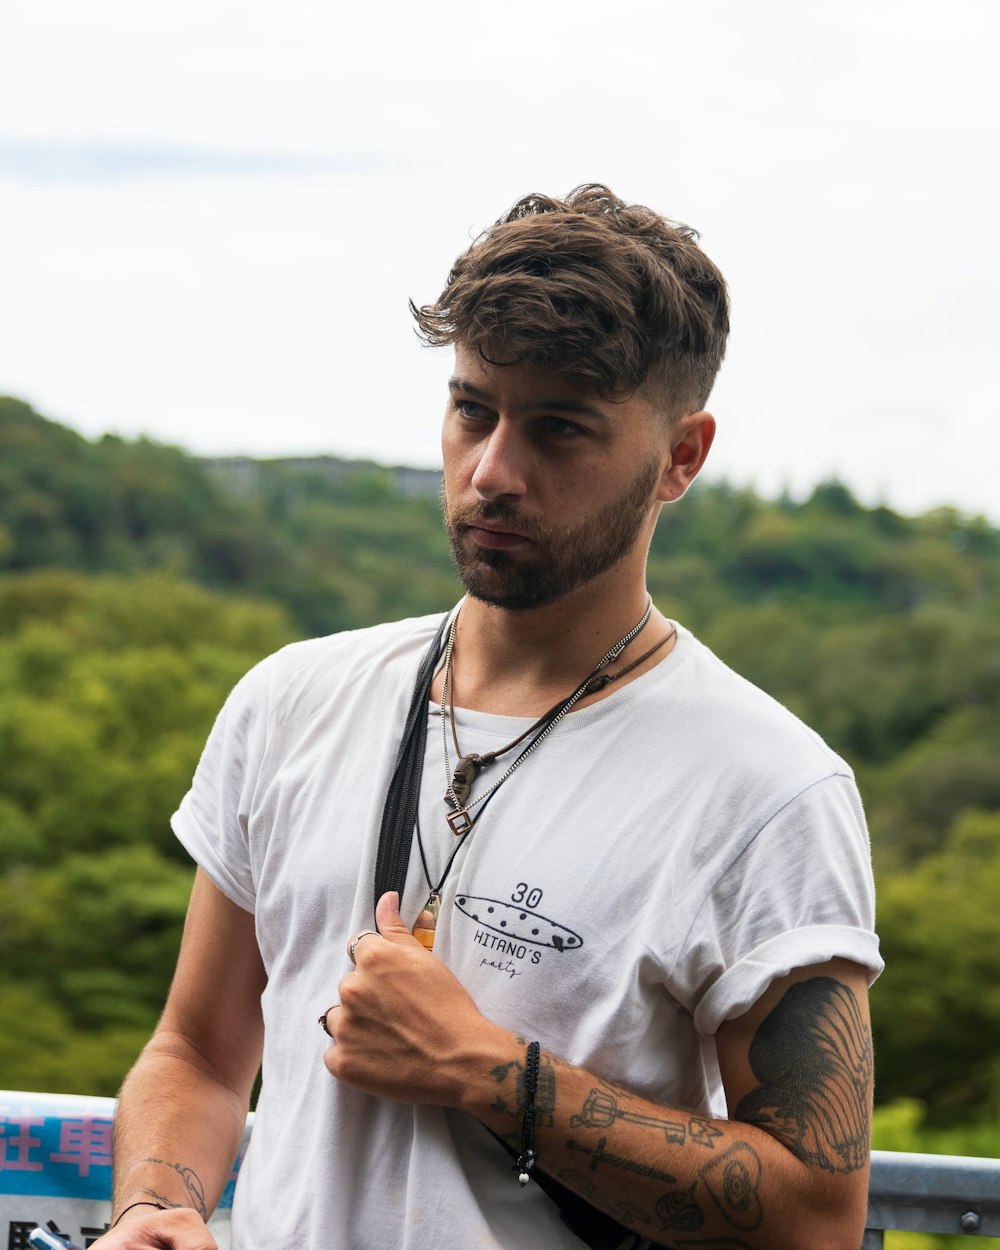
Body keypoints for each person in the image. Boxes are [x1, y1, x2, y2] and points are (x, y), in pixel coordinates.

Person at [99, 184, 882, 1250]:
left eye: (559, 429)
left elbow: (815, 1217)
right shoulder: (290, 703)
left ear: (681, 456)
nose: (491, 473)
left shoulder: (767, 789)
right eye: (473, 409)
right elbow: (195, 1052)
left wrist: (487, 1074)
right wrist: (159, 1202)